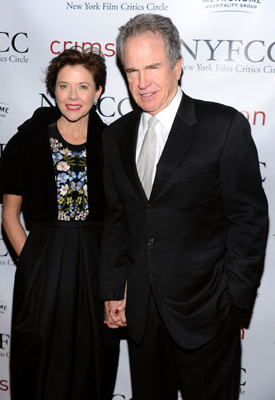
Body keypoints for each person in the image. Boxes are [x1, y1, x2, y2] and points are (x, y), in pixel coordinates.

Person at [100, 13, 269, 400]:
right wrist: (112, 288)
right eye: (132, 71)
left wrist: (233, 302)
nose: (142, 83)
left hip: (208, 314)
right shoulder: (115, 136)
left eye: (154, 67)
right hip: (142, 317)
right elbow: (117, 219)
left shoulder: (222, 127)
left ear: (177, 66)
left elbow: (249, 220)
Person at [0, 48, 119, 400]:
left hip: (96, 263)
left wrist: (116, 278)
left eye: (83, 87)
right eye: (64, 86)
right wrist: (34, 262)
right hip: (44, 259)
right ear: (53, 90)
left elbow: (123, 220)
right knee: (39, 357)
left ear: (99, 91)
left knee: (92, 357)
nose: (73, 97)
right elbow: (9, 215)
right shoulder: (29, 140)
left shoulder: (114, 144)